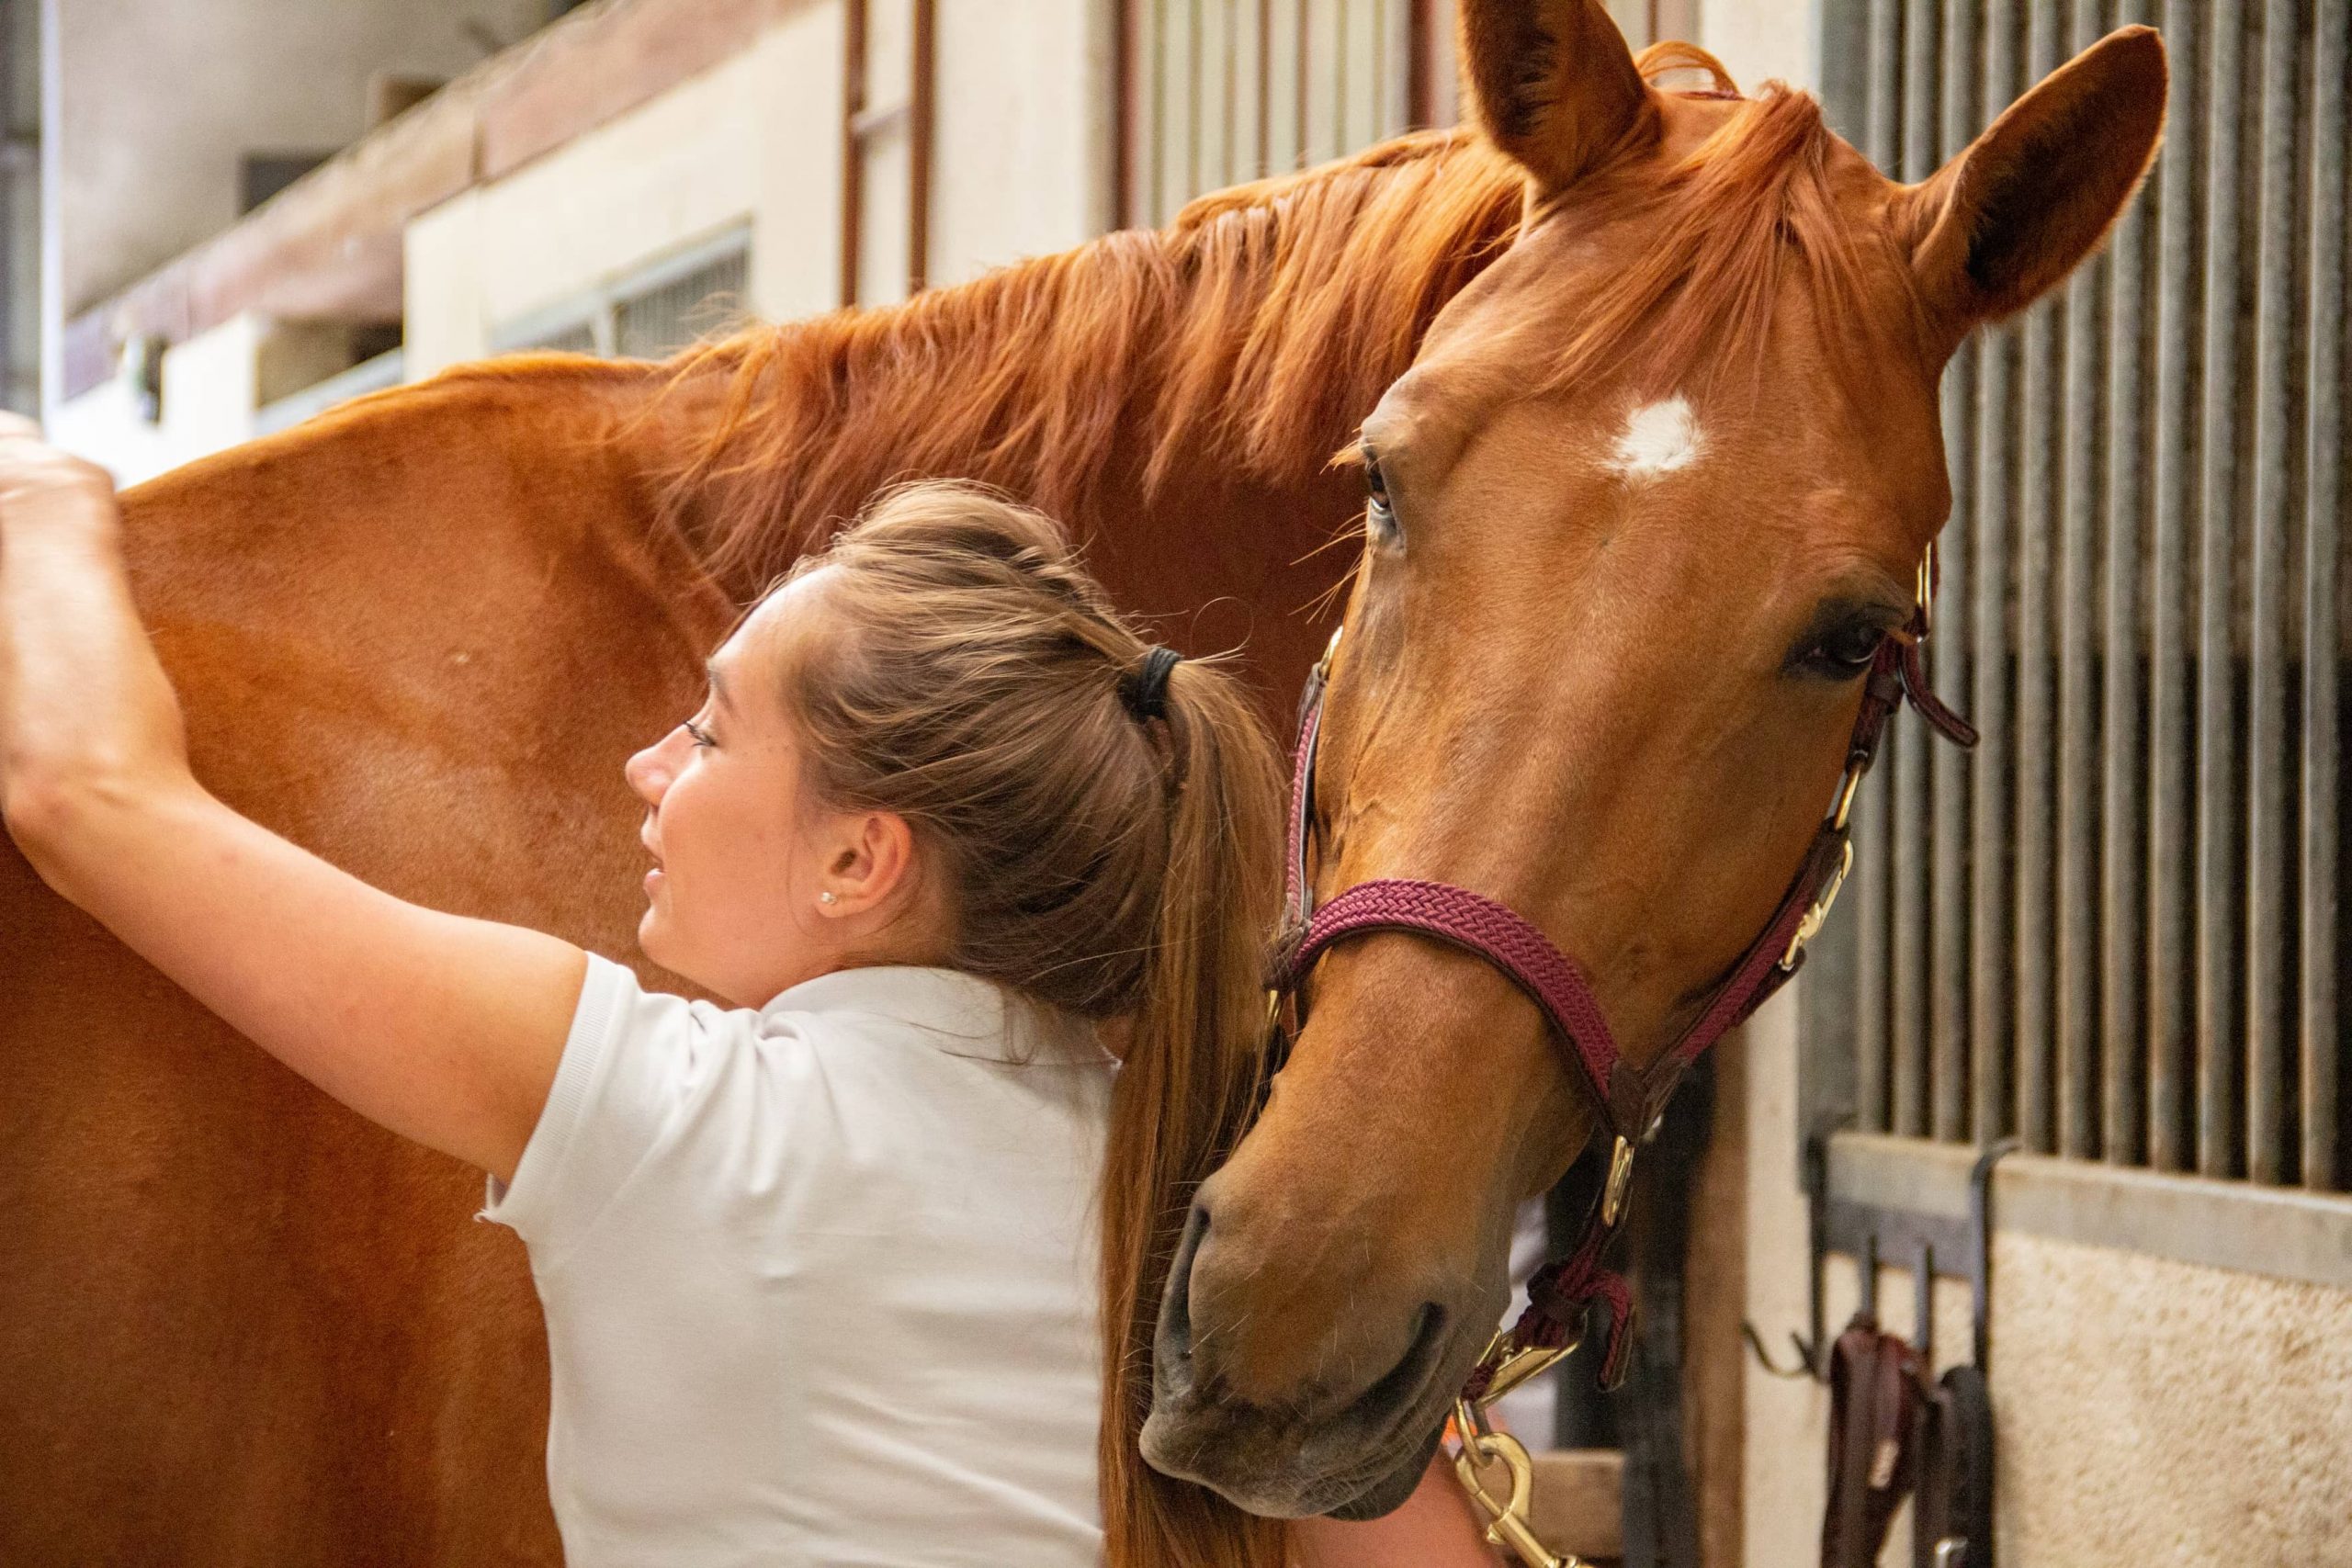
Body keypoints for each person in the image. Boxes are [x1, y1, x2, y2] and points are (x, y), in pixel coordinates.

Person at [0, 413, 1498, 1567]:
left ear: (861, 860)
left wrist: (38, 498)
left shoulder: (652, 1110)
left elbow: (89, 797)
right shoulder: (1191, 1188)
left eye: (710, 736)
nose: (648, 770)